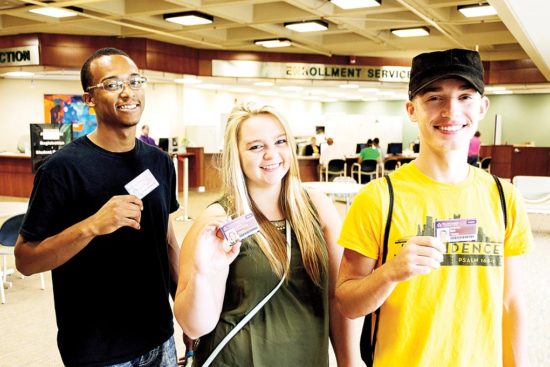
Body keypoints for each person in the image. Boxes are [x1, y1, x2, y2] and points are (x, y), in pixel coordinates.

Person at [336, 48, 533, 366]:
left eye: (465, 96)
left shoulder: (504, 197)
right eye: (434, 98)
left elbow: (510, 302)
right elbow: (347, 303)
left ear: (482, 107)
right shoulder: (378, 198)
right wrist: (389, 273)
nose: (451, 112)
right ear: (412, 110)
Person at [14, 47, 182, 366]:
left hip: (159, 338)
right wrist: (91, 226)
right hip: (97, 350)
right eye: (112, 84)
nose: (127, 92)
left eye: (134, 81)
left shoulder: (159, 162)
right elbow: (25, 259)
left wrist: (186, 311)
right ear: (89, 99)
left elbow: (169, 241)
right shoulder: (61, 170)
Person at [174, 102, 360, 366]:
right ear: (236, 154)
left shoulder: (317, 208)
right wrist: (203, 274)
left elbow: (337, 296)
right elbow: (195, 327)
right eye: (256, 146)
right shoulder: (218, 221)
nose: (271, 155)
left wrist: (348, 362)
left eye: (280, 141)